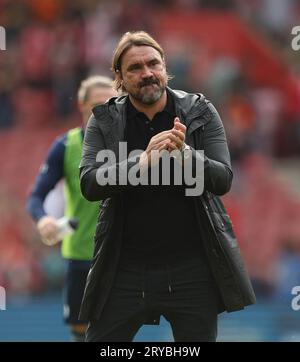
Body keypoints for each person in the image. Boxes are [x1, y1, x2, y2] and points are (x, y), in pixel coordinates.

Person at [79, 31, 256, 342]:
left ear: (165, 67)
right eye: (134, 68)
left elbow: (223, 180)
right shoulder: (103, 120)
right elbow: (90, 184)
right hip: (124, 269)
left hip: (192, 269)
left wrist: (186, 155)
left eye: (153, 64)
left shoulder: (200, 111)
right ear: (119, 77)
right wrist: (142, 163)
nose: (147, 73)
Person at [27, 75, 117, 342]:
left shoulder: (131, 145)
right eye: (97, 105)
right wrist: (43, 221)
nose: (104, 112)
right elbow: (36, 196)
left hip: (120, 256)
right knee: (81, 335)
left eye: (111, 105)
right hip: (80, 256)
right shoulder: (66, 147)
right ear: (81, 105)